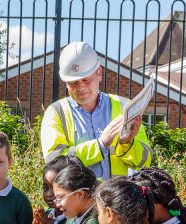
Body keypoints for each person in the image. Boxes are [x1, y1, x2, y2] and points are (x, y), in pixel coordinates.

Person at [41, 41, 152, 179]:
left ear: (99, 73)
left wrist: (127, 144)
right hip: (78, 199)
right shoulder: (55, 112)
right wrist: (100, 144)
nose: (81, 87)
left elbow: (145, 161)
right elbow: (54, 164)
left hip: (118, 199)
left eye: (86, 80)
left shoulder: (125, 106)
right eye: (73, 82)